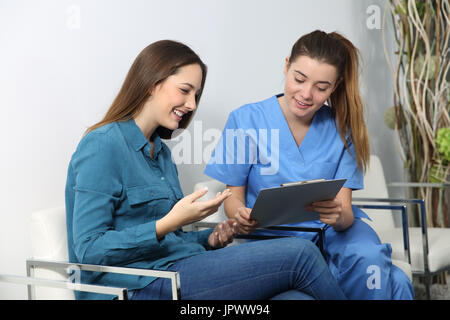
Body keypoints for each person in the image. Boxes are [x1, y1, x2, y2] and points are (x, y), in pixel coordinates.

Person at [65, 39, 347, 300]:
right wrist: (170, 222)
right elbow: (89, 251)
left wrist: (210, 238)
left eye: (196, 95)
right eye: (185, 91)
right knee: (301, 254)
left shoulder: (160, 153)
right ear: (152, 82)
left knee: (295, 298)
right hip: (138, 286)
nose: (191, 105)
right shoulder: (103, 145)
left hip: (177, 268)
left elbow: (169, 241)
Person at [204, 30, 414, 300]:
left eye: (321, 87)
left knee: (369, 258)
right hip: (273, 241)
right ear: (286, 65)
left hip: (334, 233)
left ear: (335, 86)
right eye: (299, 79)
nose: (306, 94)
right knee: (396, 282)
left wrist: (338, 216)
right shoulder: (245, 120)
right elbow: (232, 200)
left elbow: (346, 213)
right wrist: (240, 215)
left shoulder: (343, 126)